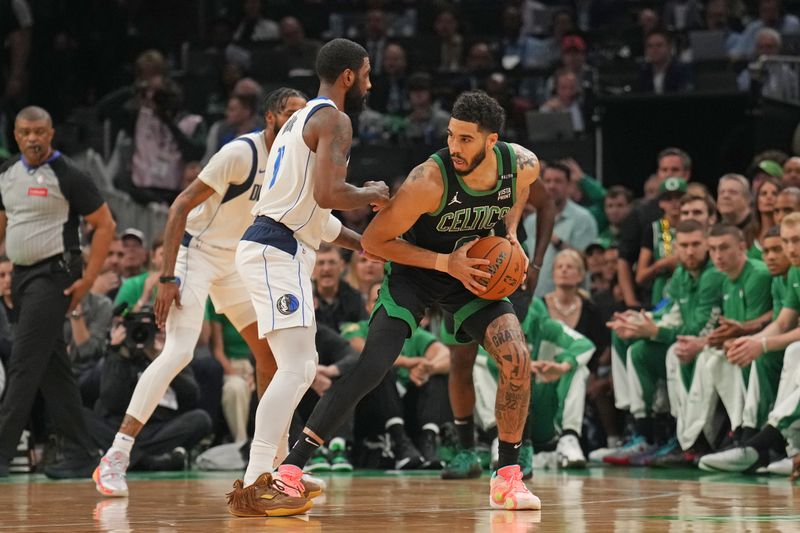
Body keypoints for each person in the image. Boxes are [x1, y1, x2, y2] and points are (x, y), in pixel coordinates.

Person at [276, 90, 554, 512]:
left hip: (472, 273)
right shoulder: (430, 180)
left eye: (465, 139)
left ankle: (507, 478)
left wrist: (511, 232)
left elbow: (522, 192)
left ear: (491, 142)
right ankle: (291, 471)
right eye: (451, 136)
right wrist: (445, 263)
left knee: (516, 357)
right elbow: (374, 241)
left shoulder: (522, 164)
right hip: (415, 272)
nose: (454, 147)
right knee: (371, 367)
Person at [92, 88, 308, 497]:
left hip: (236, 263)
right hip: (196, 254)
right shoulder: (240, 154)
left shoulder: (295, 160)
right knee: (179, 351)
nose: (299, 121)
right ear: (270, 117)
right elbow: (179, 207)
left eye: (304, 113)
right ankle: (115, 456)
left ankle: (275, 463)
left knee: (271, 356)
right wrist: (167, 277)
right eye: (291, 113)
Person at [229, 39, 390, 516]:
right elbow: (327, 193)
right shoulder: (336, 120)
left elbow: (313, 213)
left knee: (291, 368)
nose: (369, 82)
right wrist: (370, 191)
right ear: (347, 76)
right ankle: (260, 478)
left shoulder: (300, 120)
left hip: (277, 244)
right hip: (276, 249)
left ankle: (276, 468)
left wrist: (363, 243)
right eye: (365, 74)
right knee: (299, 369)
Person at [0, 106, 116, 478]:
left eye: (39, 131)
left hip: (55, 276)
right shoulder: (6, 175)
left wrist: (88, 279)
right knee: (52, 367)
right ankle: (83, 452)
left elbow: (105, 224)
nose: (32, 138)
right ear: (15, 136)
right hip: (21, 276)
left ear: (51, 133)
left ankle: (1, 453)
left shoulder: (69, 175)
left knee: (23, 362)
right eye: (24, 132)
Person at [604, 220, 725, 466]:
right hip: (690, 343)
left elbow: (698, 329)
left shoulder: (712, 275)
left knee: (675, 351)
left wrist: (655, 331)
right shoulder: (681, 273)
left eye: (695, 245)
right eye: (684, 245)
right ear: (675, 248)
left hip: (709, 345)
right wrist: (642, 319)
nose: (690, 251)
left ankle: (689, 440)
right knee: (636, 347)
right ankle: (645, 430)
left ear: (707, 245)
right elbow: (671, 310)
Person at [700, 215, 800, 475]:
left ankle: (765, 443)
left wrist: (763, 344)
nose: (791, 248)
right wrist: (751, 342)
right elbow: (783, 322)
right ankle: (757, 438)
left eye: (796, 241)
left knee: (790, 351)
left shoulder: (763, 275)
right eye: (787, 241)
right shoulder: (795, 272)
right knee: (784, 352)